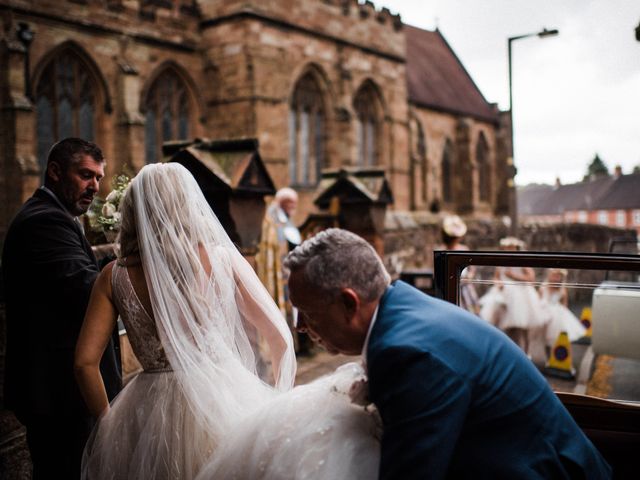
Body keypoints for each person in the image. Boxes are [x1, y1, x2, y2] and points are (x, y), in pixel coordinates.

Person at [282, 228, 611, 479]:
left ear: (349, 303)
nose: (299, 327)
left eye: (307, 312)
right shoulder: (403, 307)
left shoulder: (405, 352)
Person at [74, 163, 296, 479]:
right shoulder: (222, 258)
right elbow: (280, 337)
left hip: (147, 412)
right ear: (187, 203)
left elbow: (84, 363)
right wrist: (278, 401)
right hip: (221, 398)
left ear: (133, 211)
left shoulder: (113, 276)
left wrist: (108, 425)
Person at [2, 138, 122, 478]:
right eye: (86, 175)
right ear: (55, 171)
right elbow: (86, 289)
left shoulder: (57, 216)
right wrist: (134, 268)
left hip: (64, 395)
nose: (95, 187)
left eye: (99, 178)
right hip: (58, 394)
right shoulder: (43, 222)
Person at [256, 187, 309, 354]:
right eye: (291, 203)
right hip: (279, 271)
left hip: (289, 270)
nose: (294, 207)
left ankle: (294, 345)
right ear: (283, 203)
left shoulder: (286, 218)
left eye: (295, 203)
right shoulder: (271, 219)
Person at [479, 236, 548, 355]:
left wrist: (514, 276)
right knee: (505, 326)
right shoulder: (501, 261)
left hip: (521, 295)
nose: (508, 250)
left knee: (523, 327)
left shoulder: (521, 260)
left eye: (511, 247)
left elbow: (531, 278)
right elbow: (496, 276)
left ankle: (526, 352)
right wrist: (498, 283)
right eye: (506, 248)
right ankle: (510, 352)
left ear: (516, 248)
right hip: (504, 294)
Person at [438, 215, 479, 314]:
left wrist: (469, 277)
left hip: (465, 286)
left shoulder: (463, 249)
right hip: (448, 286)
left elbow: (472, 268)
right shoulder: (441, 250)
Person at [540, 268, 586, 348]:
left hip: (556, 314)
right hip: (543, 311)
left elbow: (565, 303)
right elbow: (538, 299)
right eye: (553, 275)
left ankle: (554, 354)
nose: (555, 278)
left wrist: (563, 314)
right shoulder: (543, 287)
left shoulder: (562, 289)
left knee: (555, 336)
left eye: (558, 276)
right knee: (543, 336)